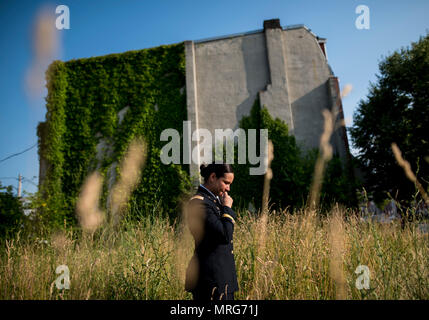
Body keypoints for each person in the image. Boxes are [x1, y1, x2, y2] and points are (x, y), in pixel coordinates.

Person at [185, 163, 238, 301]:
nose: (228, 188)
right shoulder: (199, 203)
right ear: (213, 177)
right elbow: (224, 235)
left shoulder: (213, 202)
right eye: (226, 182)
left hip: (221, 279)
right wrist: (226, 208)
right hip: (210, 281)